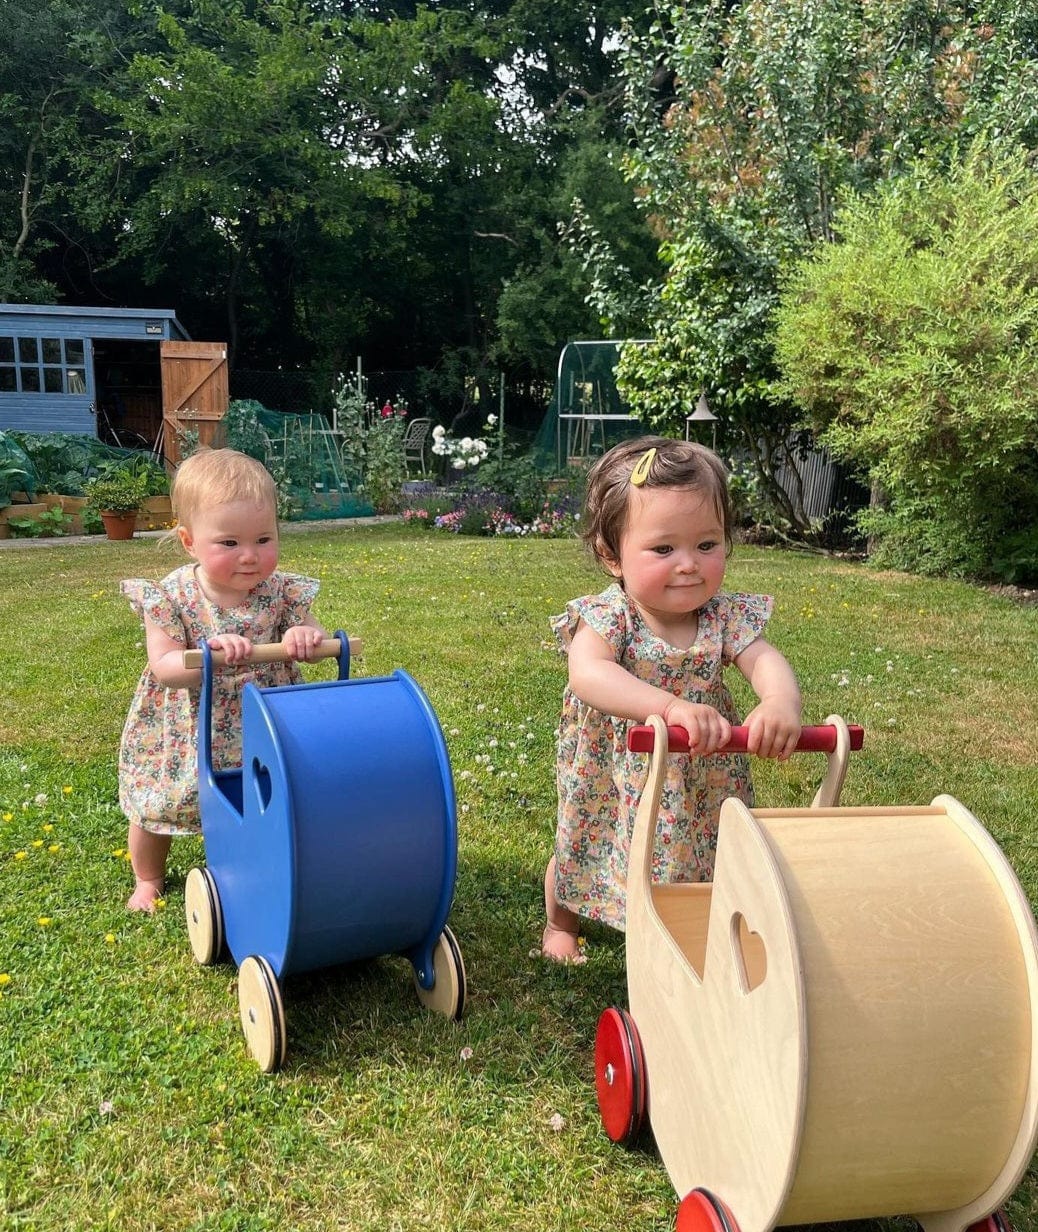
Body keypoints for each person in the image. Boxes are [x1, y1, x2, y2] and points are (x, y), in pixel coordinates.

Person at [542, 435, 802, 962]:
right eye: (664, 549)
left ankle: (691, 928)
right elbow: (588, 673)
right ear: (611, 555)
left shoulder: (724, 616)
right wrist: (670, 707)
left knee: (703, 846)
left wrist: (778, 703)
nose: (689, 564)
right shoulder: (612, 616)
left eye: (706, 545)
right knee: (587, 838)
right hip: (618, 763)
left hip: (701, 765)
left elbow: (765, 661)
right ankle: (559, 923)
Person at [119, 448, 328, 912]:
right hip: (192, 725)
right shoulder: (170, 596)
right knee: (161, 802)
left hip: (264, 718)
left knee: (268, 793)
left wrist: (303, 635)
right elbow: (164, 668)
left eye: (264, 539)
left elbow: (314, 638)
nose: (250, 557)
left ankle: (260, 865)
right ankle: (148, 878)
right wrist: (206, 656)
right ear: (189, 541)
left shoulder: (280, 591)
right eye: (229, 543)